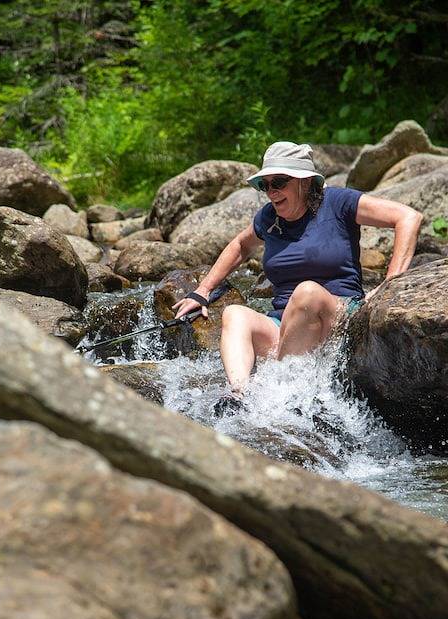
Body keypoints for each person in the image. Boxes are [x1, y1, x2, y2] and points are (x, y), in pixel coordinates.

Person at [172, 141, 423, 415]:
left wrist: (390, 284)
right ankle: (240, 398)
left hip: (337, 319)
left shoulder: (338, 203)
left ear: (304, 181)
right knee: (234, 313)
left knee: (306, 293)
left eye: (278, 182)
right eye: (264, 185)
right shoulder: (269, 218)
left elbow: (408, 217)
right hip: (283, 328)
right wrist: (203, 290)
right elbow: (240, 246)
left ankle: (275, 392)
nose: (271, 192)